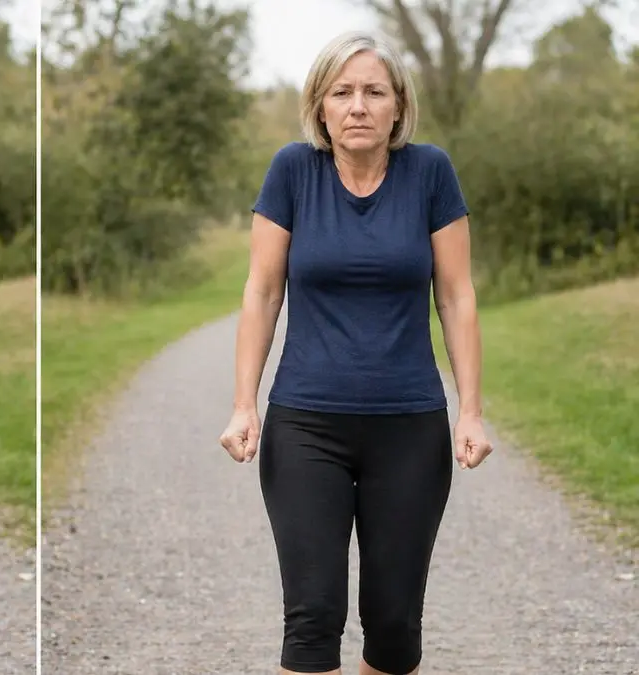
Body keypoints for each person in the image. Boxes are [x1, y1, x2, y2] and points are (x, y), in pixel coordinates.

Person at [218, 30, 493, 675]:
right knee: (312, 619)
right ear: (320, 106)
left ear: (399, 106)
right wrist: (242, 405)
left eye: (374, 91)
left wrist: (472, 410)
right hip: (306, 425)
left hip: (409, 428)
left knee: (394, 627)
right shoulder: (293, 171)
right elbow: (261, 292)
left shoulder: (430, 173)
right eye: (342, 92)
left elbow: (456, 297)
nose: (359, 106)